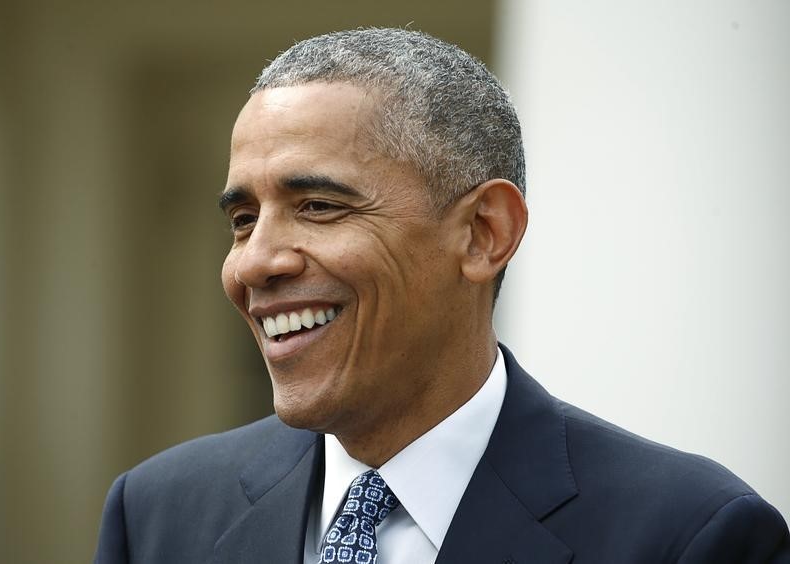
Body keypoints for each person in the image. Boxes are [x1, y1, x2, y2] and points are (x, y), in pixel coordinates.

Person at [94, 28, 789, 564]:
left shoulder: (691, 535)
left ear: (485, 234)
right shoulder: (158, 514)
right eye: (243, 221)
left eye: (318, 206)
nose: (255, 264)